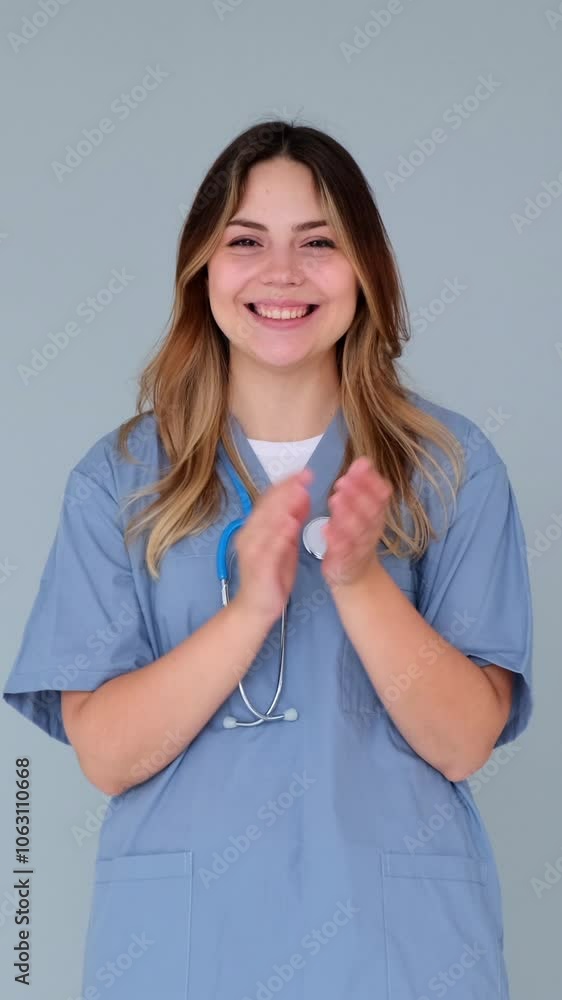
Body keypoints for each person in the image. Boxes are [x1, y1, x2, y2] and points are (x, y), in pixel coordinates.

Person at [3, 118, 533, 1000]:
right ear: (201, 270)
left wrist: (359, 580)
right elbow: (106, 754)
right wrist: (248, 610)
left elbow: (465, 740)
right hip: (183, 953)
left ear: (365, 268)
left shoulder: (450, 469)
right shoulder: (121, 482)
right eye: (245, 241)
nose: (282, 274)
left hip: (395, 949)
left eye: (318, 243)